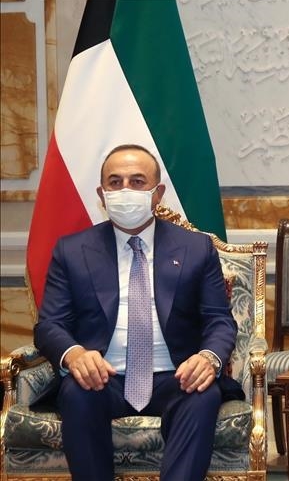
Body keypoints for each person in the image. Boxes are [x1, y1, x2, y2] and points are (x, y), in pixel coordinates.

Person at [33, 144, 241, 480]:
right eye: (115, 182)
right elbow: (49, 325)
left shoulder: (196, 248)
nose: (125, 190)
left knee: (203, 395)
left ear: (157, 193)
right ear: (101, 195)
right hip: (102, 377)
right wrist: (75, 355)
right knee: (76, 392)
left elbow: (219, 320)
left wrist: (208, 358)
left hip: (176, 375)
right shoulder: (72, 250)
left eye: (137, 181)